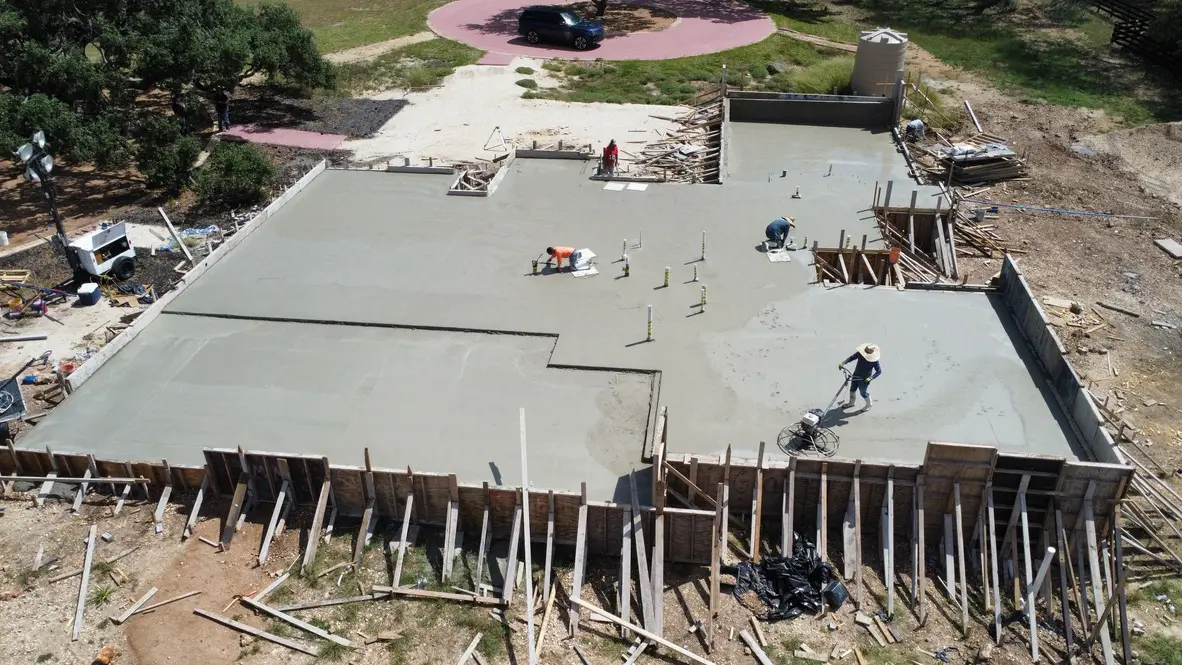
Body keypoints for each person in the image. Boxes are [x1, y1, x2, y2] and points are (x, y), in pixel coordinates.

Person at [838, 343, 882, 410]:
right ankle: (851, 403)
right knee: (852, 389)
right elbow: (851, 358)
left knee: (863, 393)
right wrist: (843, 363)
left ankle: (869, 404)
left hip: (864, 379)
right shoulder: (860, 354)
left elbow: (879, 371)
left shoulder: (874, 361)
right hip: (855, 375)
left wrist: (871, 378)